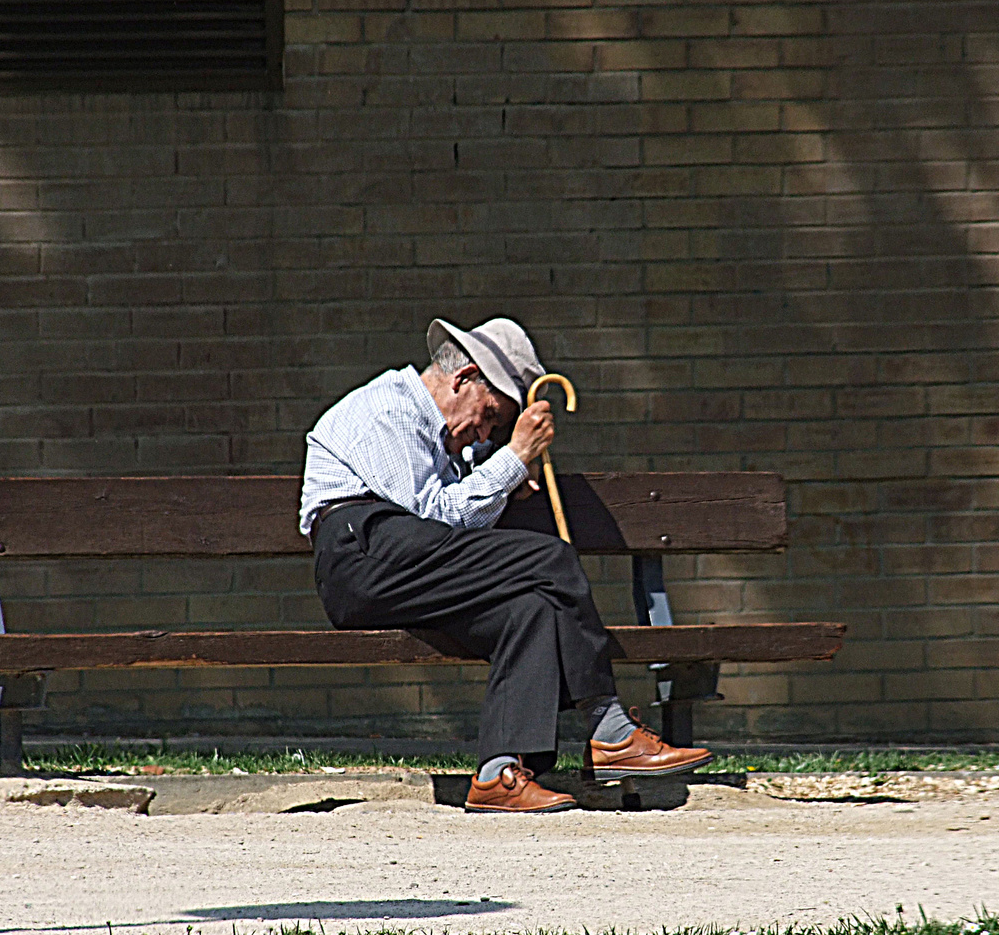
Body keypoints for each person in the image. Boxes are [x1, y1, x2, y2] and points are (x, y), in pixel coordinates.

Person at [300, 317, 713, 813]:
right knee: (550, 558)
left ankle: (499, 772)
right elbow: (438, 518)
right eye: (491, 414)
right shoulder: (388, 408)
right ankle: (609, 727)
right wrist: (514, 457)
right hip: (360, 553)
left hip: (397, 566)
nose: (486, 431)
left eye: (495, 427)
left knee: (530, 608)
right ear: (463, 377)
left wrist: (500, 466)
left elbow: (440, 533)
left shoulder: (444, 438)